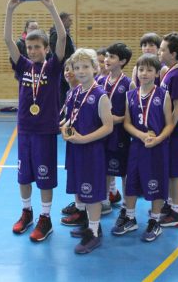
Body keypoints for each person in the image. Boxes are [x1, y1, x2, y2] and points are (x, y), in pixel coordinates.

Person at [4, 0, 66, 242]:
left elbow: (62, 36)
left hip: (45, 130)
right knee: (24, 175)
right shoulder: (23, 66)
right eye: (29, 47)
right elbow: (7, 40)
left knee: (44, 176)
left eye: (37, 47)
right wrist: (10, 10)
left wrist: (51, 7)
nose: (32, 51)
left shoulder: (53, 67)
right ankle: (27, 212)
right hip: (26, 129)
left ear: (46, 48)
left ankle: (45, 218)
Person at [112, 54, 173, 242]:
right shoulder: (130, 95)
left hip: (157, 148)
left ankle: (155, 221)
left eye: (149, 70)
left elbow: (170, 124)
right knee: (131, 182)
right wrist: (141, 135)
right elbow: (127, 123)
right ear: (136, 72)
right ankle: (130, 217)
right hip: (137, 146)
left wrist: (158, 139)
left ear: (156, 74)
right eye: (141, 69)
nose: (144, 73)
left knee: (156, 183)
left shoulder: (164, 95)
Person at [61, 48, 113, 254]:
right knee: (81, 189)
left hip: (91, 151)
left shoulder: (100, 95)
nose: (81, 71)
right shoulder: (74, 92)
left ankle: (94, 232)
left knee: (92, 194)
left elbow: (108, 127)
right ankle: (90, 225)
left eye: (85, 67)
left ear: (95, 68)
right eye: (77, 67)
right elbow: (70, 118)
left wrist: (84, 139)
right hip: (76, 149)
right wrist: (64, 127)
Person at [158, 33, 178, 227]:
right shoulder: (170, 71)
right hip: (168, 130)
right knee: (169, 171)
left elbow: (177, 107)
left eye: (162, 50)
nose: (159, 53)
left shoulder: (177, 74)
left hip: (174, 133)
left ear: (173, 53)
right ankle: (169, 205)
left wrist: (169, 129)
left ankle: (176, 212)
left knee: (175, 173)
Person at [100, 43, 133, 218]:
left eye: (111, 57)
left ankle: (128, 205)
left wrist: (117, 119)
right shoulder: (100, 81)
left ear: (122, 61)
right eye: (106, 56)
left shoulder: (129, 84)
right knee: (105, 166)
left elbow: (131, 113)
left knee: (124, 169)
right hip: (104, 133)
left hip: (120, 134)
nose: (106, 60)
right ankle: (105, 200)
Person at [49, 11, 76, 105]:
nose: (71, 22)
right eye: (69, 20)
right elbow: (56, 53)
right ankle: (60, 116)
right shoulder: (55, 34)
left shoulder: (66, 33)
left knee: (67, 93)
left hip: (68, 67)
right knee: (62, 95)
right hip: (62, 69)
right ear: (63, 21)